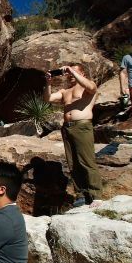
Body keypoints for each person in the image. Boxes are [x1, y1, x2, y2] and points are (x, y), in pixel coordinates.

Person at [44, 64, 103, 208]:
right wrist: (48, 83)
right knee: (73, 163)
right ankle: (81, 194)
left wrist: (72, 71)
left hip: (82, 126)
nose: (69, 73)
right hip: (67, 128)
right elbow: (48, 98)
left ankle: (96, 195)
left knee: (86, 161)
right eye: (68, 71)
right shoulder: (66, 91)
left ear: (82, 73)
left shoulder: (88, 86)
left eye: (74, 71)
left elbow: (91, 88)